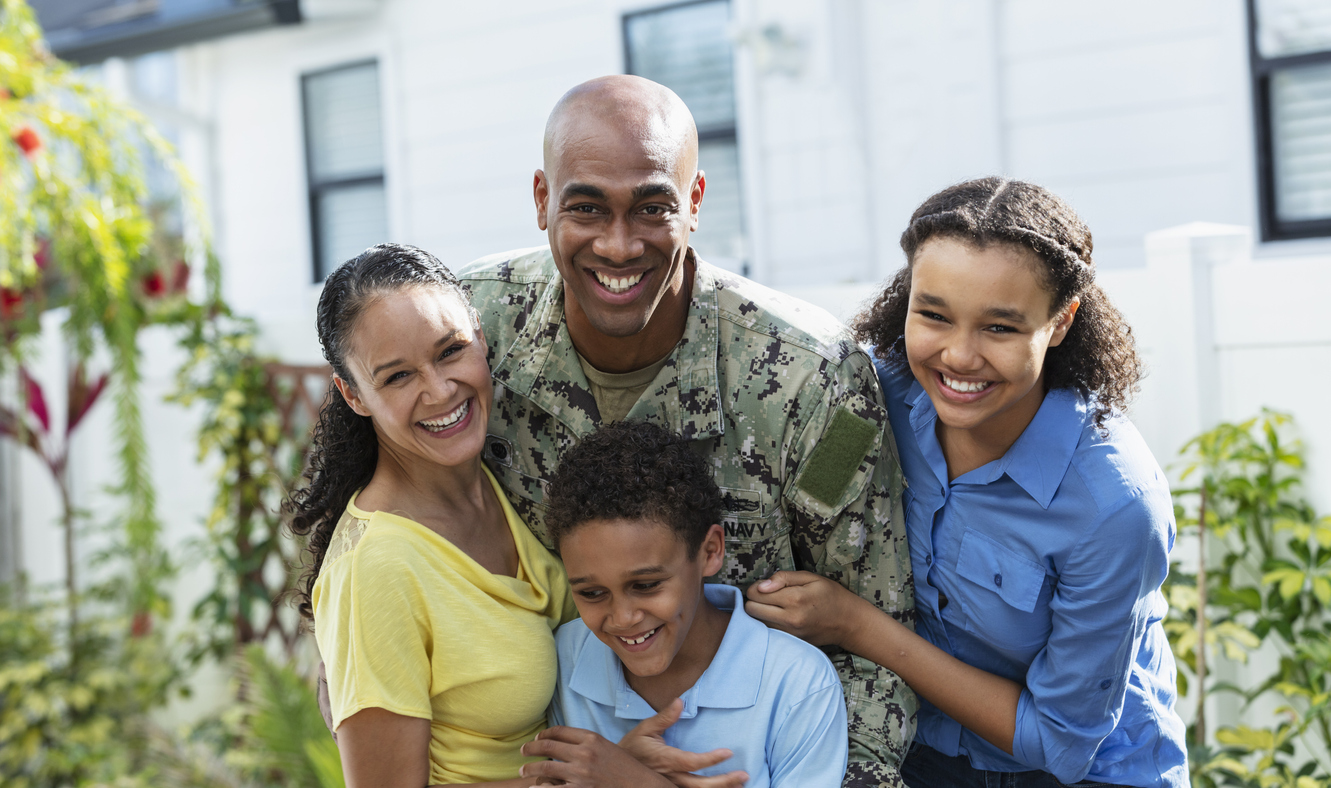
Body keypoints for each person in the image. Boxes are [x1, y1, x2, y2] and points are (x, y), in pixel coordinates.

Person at [458, 74, 915, 787]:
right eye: (585, 207)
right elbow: (361, 503)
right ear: (542, 199)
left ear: (695, 201)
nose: (617, 245)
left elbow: (876, 640)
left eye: (650, 208)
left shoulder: (811, 382)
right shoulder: (463, 335)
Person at [743, 178, 1188, 787]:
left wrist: (853, 624)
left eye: (999, 328)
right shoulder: (867, 405)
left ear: (1060, 322)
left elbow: (1057, 740)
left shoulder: (1113, 507)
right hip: (920, 749)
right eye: (933, 315)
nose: (957, 355)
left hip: (1086, 771)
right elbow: (814, 505)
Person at [290, 244, 729, 788]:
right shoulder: (377, 568)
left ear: (479, 331)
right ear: (353, 395)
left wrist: (618, 761)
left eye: (450, 350)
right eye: (398, 377)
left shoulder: (509, 476)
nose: (439, 389)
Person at [525, 420, 848, 787]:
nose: (623, 618)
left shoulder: (798, 684)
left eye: (646, 585)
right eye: (592, 593)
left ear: (710, 551)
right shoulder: (566, 658)